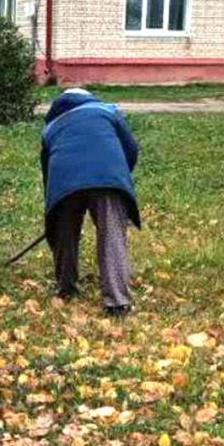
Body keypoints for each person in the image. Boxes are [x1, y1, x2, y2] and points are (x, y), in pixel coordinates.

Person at [40, 88, 140, 315]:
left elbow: (48, 172)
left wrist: (55, 204)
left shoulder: (51, 128)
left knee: (64, 232)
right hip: (109, 180)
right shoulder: (108, 112)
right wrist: (118, 177)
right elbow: (131, 150)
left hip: (64, 183)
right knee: (112, 234)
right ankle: (117, 303)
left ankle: (66, 288)